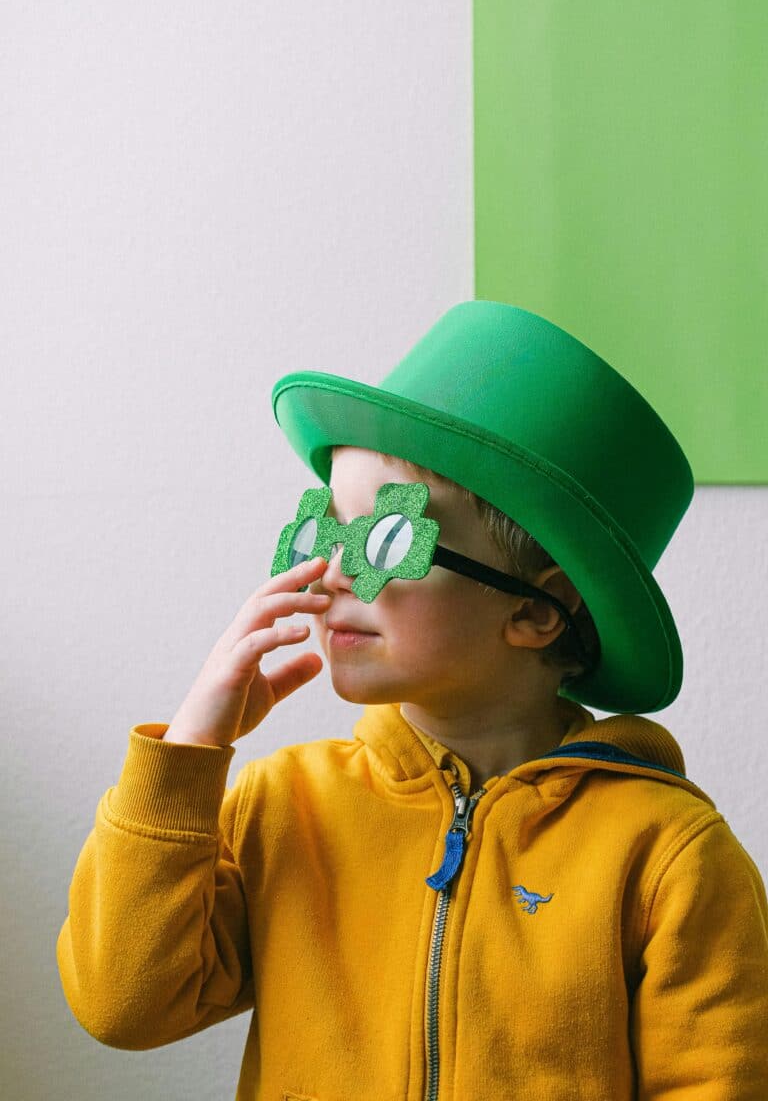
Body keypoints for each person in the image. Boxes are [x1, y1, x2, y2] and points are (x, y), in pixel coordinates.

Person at [57, 301, 768, 1099]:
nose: (326, 576)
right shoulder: (286, 807)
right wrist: (187, 758)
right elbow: (124, 1003)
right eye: (324, 533)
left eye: (384, 543)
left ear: (535, 610)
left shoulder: (667, 853)